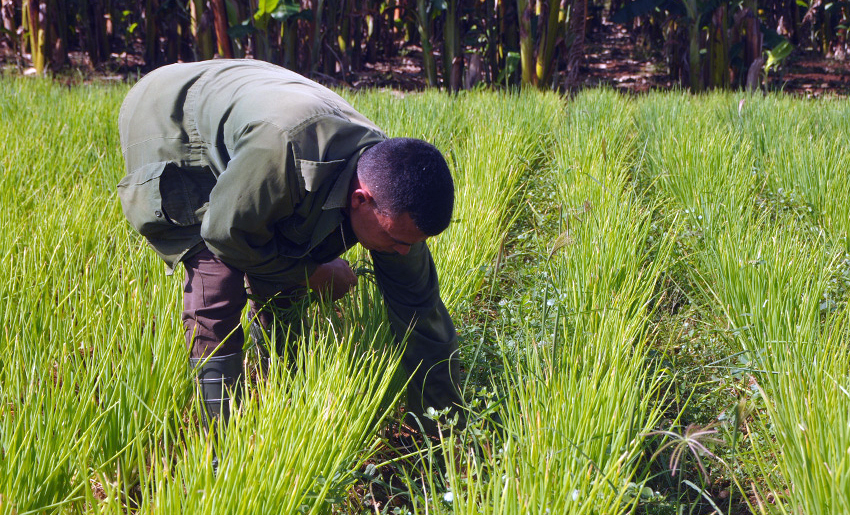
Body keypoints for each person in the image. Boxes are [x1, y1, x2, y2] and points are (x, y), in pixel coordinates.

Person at [116, 59, 463, 435]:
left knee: (291, 248)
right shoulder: (283, 155)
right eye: (396, 241)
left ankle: (277, 388)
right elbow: (225, 234)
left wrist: (442, 427)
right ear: (361, 200)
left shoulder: (392, 200)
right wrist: (313, 275)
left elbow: (420, 307)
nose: (400, 251)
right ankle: (218, 442)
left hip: (251, 110)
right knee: (217, 276)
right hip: (170, 115)